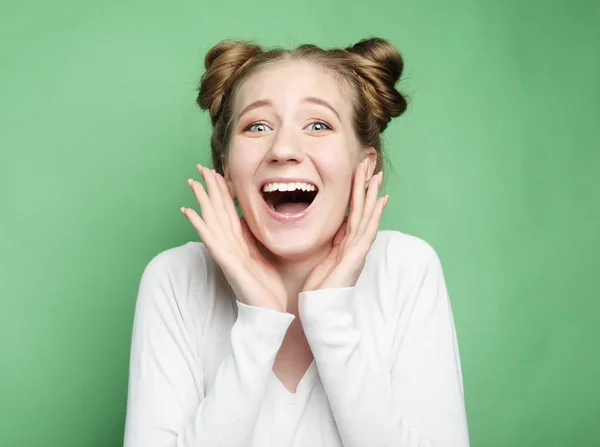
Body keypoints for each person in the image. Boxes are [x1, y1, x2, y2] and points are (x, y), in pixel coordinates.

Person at [123, 37, 470, 447]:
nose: (284, 149)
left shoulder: (407, 268)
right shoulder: (176, 278)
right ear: (227, 170)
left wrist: (329, 319)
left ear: (364, 164)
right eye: (257, 126)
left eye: (318, 125)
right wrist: (258, 324)